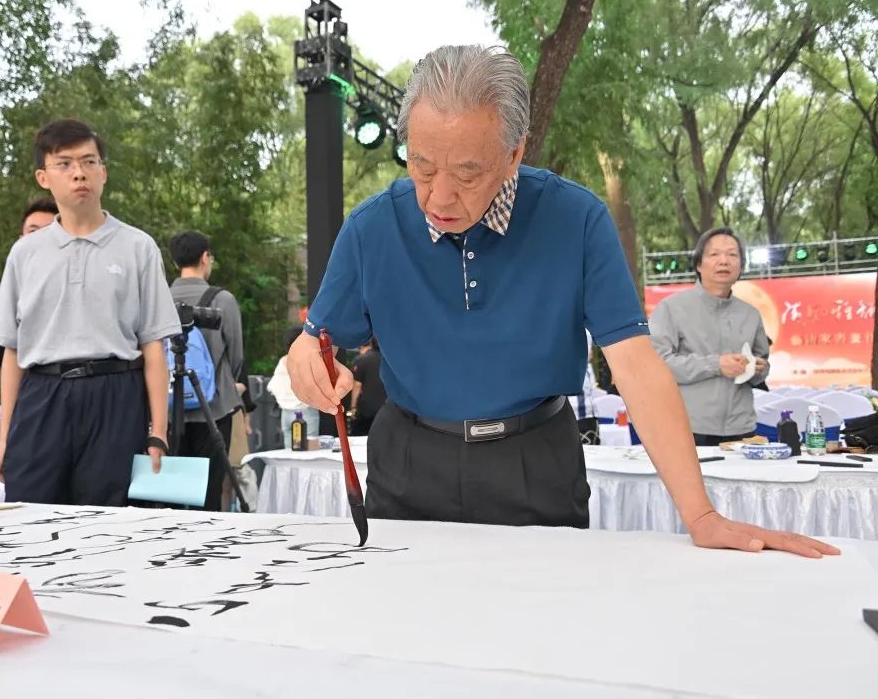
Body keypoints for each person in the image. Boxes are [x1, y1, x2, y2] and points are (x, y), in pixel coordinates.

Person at [286, 45, 834, 559]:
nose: (440, 196)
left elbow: (638, 369)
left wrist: (701, 516)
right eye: (422, 166)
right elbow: (314, 345)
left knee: (550, 634)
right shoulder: (372, 227)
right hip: (408, 460)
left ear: (514, 154)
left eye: (467, 173)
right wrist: (309, 362)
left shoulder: (576, 220)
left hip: (534, 460)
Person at [0, 119, 181, 505]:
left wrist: (157, 431)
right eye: (64, 164)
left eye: (89, 162)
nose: (79, 173)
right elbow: (12, 351)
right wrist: (6, 436)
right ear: (43, 177)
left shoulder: (137, 247)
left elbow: (154, 347)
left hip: (115, 395)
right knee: (29, 512)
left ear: (104, 173)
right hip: (42, 396)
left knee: (110, 520)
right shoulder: (25, 253)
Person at [650, 228, 771, 446]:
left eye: (732, 255)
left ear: (741, 266)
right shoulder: (671, 308)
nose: (724, 261)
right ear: (699, 264)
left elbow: (762, 363)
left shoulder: (750, 314)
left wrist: (757, 368)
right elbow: (657, 363)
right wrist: (716, 364)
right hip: (688, 427)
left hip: (742, 428)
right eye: (714, 254)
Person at [168, 230, 244, 511]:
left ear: (176, 263)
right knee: (211, 493)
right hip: (215, 409)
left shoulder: (159, 298)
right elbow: (236, 357)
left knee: (171, 495)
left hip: (168, 412)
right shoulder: (222, 300)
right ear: (204, 258)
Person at [0, 197, 58, 383]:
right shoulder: (0, 297)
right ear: (20, 240)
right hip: (35, 400)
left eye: (49, 231)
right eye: (33, 231)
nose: (40, 239)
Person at [268, 327, 320, 449]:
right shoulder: (308, 359)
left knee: (289, 454)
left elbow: (272, 387)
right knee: (309, 453)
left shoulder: (283, 361)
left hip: (286, 413)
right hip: (305, 411)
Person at [350, 338, 386, 436]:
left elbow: (357, 386)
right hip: (387, 408)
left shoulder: (362, 360)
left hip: (366, 410)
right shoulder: (389, 361)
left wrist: (353, 407)